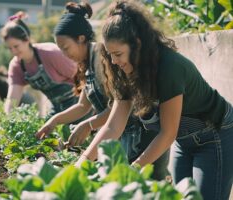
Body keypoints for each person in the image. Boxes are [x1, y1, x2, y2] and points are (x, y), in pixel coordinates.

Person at [76, 1, 233, 200]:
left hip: (215, 134)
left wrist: (134, 169)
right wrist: (81, 164)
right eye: (110, 54)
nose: (114, 61)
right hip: (183, 141)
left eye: (118, 54)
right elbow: (113, 126)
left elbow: (167, 133)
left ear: (137, 44)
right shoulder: (123, 70)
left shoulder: (169, 67)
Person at [35, 1, 169, 180]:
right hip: (119, 137)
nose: (64, 54)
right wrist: (54, 120)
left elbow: (117, 110)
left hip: (139, 136)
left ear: (81, 38)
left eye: (66, 48)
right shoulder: (87, 64)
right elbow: (83, 106)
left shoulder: (103, 59)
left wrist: (88, 125)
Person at [0, 12, 78, 116]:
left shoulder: (51, 53)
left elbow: (81, 76)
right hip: (56, 105)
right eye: (10, 48)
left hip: (78, 102)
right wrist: (7, 119)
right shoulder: (16, 66)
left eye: (16, 46)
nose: (13, 51)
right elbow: (13, 99)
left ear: (27, 39)